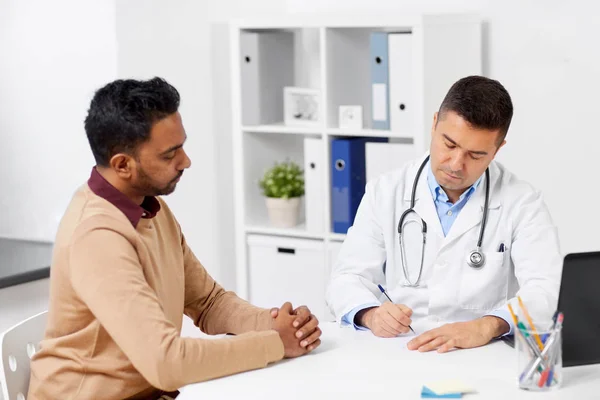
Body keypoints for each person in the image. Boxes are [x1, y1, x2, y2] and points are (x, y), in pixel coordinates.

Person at [28, 77, 321, 399]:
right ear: (122, 165)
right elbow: (165, 362)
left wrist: (277, 324)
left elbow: (208, 302)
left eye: (182, 146)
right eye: (170, 155)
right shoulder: (97, 235)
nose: (186, 161)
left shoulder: (151, 209)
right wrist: (275, 343)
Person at [327, 75, 562, 353]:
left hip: (482, 352)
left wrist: (487, 325)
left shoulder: (523, 202)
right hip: (400, 348)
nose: (456, 164)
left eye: (475, 155)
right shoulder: (385, 191)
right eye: (449, 144)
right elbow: (346, 278)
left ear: (497, 149)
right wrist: (371, 314)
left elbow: (546, 289)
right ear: (434, 123)